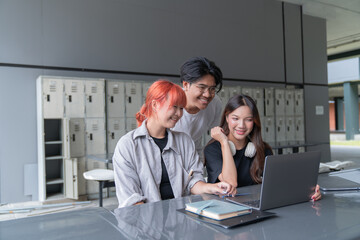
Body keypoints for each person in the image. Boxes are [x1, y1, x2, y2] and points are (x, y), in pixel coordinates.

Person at [113, 80, 235, 208]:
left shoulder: (185, 141)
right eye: (174, 107)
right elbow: (131, 198)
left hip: (181, 218)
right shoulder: (127, 145)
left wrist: (212, 188)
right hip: (145, 221)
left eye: (181, 108)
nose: (179, 114)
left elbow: (193, 182)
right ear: (155, 105)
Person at [204, 94, 321, 201]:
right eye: (235, 118)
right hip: (223, 208)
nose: (241, 125)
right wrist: (224, 142)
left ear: (254, 121)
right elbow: (231, 183)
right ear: (227, 118)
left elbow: (277, 183)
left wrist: (308, 190)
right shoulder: (213, 149)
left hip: (255, 205)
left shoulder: (262, 149)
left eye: (248, 120)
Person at [172, 57, 223, 163]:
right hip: (168, 158)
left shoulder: (215, 104)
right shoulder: (169, 103)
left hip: (195, 156)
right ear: (186, 85)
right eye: (202, 87)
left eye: (212, 89)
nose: (208, 94)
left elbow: (216, 136)